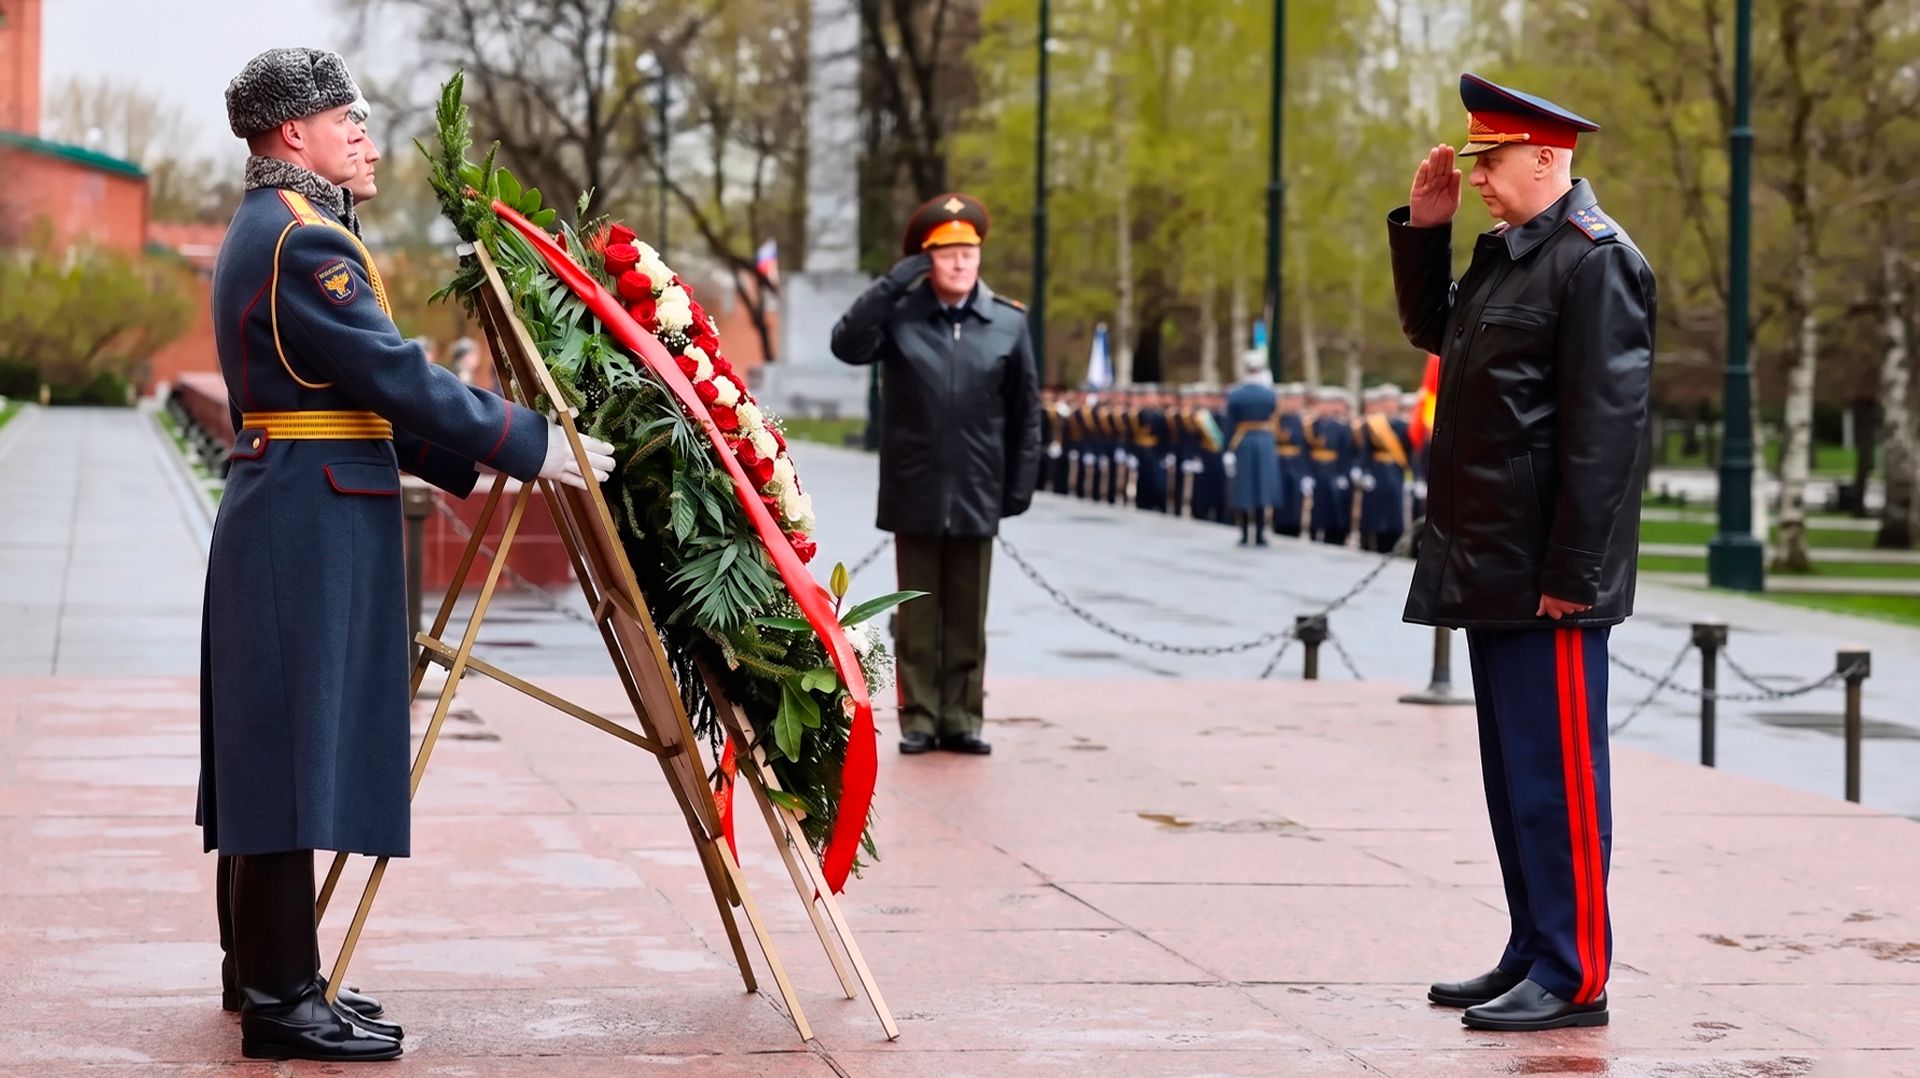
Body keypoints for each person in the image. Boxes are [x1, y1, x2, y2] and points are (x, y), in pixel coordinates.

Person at [202, 48, 615, 1062]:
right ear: (293, 133)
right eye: (348, 121)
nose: (367, 140)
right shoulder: (302, 240)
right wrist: (526, 441)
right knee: (285, 751)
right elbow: (392, 373)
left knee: (276, 743)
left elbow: (358, 394)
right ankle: (279, 998)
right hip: (305, 516)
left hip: (301, 502)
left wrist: (485, 456)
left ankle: (266, 971)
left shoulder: (283, 225)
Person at [1390, 73, 1655, 1032]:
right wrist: (1425, 233)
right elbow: (1441, 333)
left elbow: (1605, 438)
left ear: (1546, 158)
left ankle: (1575, 973)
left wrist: (1572, 578)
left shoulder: (1596, 262)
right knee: (1516, 782)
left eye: (1491, 159)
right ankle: (1533, 948)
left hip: (1549, 576)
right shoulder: (1510, 255)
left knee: (1561, 783)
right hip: (1494, 561)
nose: (1478, 177)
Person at [830, 192, 1041, 756]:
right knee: (917, 615)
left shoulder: (1007, 323)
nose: (959, 263)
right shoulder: (901, 316)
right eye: (946, 254)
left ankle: (963, 718)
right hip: (916, 485)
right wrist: (891, 285)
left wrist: (1018, 485)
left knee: (968, 616)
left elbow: (1026, 413)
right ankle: (920, 718)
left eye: (968, 253)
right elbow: (846, 344)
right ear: (926, 261)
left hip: (978, 487)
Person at [1223, 350, 1280, 546]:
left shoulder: (1235, 394)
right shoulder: (1269, 393)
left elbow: (1229, 424)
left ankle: (1245, 533)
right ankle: (1260, 533)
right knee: (1262, 488)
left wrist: (1227, 450)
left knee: (1244, 488)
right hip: (1264, 441)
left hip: (1243, 440)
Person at [1356, 384, 1413, 553]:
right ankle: (1373, 544)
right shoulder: (1372, 424)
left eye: (1393, 401)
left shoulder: (1404, 425)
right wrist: (1364, 472)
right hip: (1377, 470)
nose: (1390, 404)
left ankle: (1394, 546)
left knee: (1395, 511)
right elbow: (1365, 451)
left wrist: (1414, 477)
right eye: (1386, 401)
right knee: (1376, 510)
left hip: (1396, 471)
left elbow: (1409, 454)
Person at [1306, 387, 1356, 546]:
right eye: (1320, 404)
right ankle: (1314, 533)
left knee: (1334, 505)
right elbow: (1306, 451)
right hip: (1316, 469)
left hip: (1334, 469)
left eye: (1327, 404)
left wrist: (1343, 473)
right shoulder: (1310, 426)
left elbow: (1346, 452)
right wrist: (1307, 474)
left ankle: (1334, 536)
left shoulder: (1341, 427)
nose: (1324, 408)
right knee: (1317, 506)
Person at [1272, 382, 1309, 537]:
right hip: (1279, 462)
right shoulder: (1277, 419)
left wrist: (1307, 471)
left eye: (1298, 399)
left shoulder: (1305, 420)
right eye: (1291, 399)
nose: (1295, 403)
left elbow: (1307, 447)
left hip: (1298, 462)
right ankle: (1278, 527)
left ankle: (1295, 528)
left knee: (1296, 499)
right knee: (1280, 497)